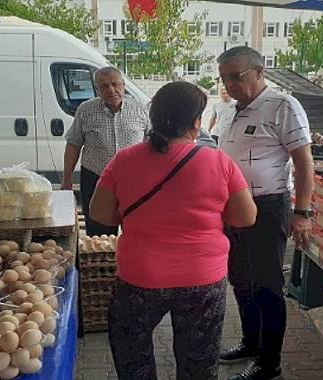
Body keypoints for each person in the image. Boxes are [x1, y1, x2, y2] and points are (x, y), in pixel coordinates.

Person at [89, 81, 257, 380]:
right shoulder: (218, 161)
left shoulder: (124, 159)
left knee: (133, 355)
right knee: (199, 362)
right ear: (195, 122)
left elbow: (99, 213)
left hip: (140, 277)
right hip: (203, 279)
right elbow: (245, 217)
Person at [216, 46, 315, 380]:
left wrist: (302, 212)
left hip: (268, 207)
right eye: (224, 78)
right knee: (241, 281)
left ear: (260, 71)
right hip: (233, 208)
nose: (229, 84)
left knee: (267, 286)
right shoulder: (231, 110)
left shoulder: (283, 106)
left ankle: (269, 363)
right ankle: (250, 342)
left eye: (236, 76)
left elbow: (304, 163)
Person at [61, 66, 149, 236]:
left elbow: (151, 144)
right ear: (97, 89)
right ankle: (101, 262)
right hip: (96, 178)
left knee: (136, 229)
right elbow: (73, 144)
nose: (111, 90)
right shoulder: (85, 111)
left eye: (115, 84)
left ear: (123, 85)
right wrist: (67, 179)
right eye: (104, 86)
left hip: (133, 180)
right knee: (98, 233)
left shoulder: (141, 109)